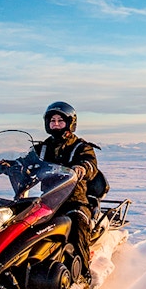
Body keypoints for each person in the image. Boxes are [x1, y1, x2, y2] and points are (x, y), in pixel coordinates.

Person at [35, 101, 101, 266]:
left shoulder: (81, 147)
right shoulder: (42, 148)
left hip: (74, 200)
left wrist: (82, 168)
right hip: (48, 201)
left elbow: (91, 164)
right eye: (52, 121)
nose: (56, 124)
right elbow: (27, 162)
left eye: (60, 120)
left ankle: (82, 278)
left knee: (77, 226)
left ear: (70, 123)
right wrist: (7, 165)